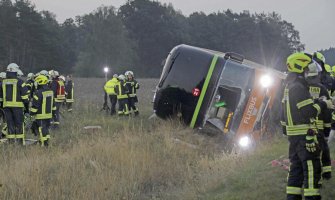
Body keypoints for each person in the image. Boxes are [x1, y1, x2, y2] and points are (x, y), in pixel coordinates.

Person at [282, 52, 333, 200]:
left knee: (296, 171)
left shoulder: (290, 86)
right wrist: (324, 104)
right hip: (305, 137)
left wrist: (317, 102)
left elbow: (295, 111)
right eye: (307, 69)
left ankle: (292, 197)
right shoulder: (299, 88)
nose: (310, 72)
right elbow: (308, 112)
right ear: (299, 68)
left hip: (294, 137)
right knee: (312, 170)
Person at [304, 62, 332, 180]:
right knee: (323, 149)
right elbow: (327, 111)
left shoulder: (300, 89)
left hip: (304, 127)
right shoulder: (322, 89)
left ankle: (308, 174)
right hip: (319, 127)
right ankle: (326, 173)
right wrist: (326, 131)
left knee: (307, 152)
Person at [0, 63, 29, 145]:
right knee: (19, 125)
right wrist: (26, 109)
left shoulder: (3, 82)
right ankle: (20, 144)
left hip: (6, 108)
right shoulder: (20, 82)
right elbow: (25, 98)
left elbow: (1, 97)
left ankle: (11, 143)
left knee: (10, 125)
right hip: (18, 107)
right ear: (15, 70)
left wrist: (2, 107)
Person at [30, 75, 56, 146]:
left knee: (41, 130)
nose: (36, 84)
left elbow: (35, 106)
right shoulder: (50, 91)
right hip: (49, 115)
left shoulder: (38, 93)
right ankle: (47, 142)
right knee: (46, 130)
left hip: (40, 115)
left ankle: (44, 145)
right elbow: (53, 104)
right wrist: (53, 113)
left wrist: (31, 113)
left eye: (37, 82)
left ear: (40, 82)